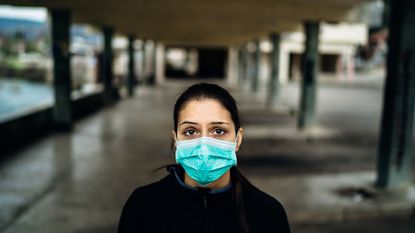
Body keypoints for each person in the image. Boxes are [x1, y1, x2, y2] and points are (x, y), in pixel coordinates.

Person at [118, 83, 290, 233]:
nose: (204, 145)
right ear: (175, 140)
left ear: (238, 139)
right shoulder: (142, 207)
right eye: (191, 131)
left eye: (218, 131)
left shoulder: (267, 213)